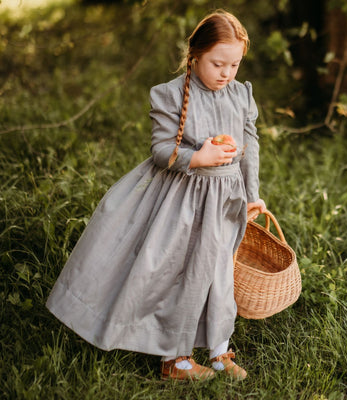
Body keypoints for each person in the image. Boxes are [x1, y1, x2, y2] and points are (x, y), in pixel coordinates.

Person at [46, 9, 266, 382]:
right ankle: (175, 358)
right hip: (183, 200)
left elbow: (251, 147)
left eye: (234, 64)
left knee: (219, 274)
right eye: (218, 63)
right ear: (194, 55)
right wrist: (199, 157)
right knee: (182, 273)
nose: (227, 73)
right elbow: (162, 150)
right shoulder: (169, 95)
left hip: (225, 201)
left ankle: (218, 349)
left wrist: (252, 193)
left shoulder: (240, 95)